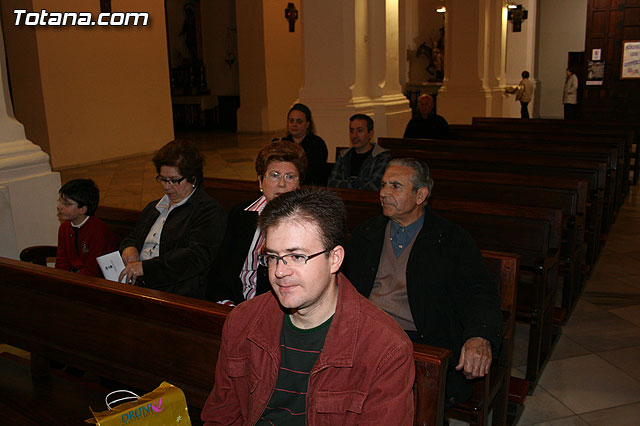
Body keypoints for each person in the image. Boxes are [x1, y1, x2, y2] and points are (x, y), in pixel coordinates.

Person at [201, 188, 415, 426]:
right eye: (273, 256)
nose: (280, 272)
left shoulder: (385, 347)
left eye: (297, 256)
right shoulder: (242, 321)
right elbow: (221, 417)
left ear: (334, 259)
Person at [342, 158, 503, 409]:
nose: (383, 193)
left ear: (421, 195)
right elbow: (342, 288)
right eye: (383, 185)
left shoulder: (450, 239)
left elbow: (480, 291)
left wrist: (480, 336)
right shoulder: (366, 233)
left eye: (395, 186)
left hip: (422, 342)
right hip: (369, 334)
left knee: (393, 402)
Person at [119, 139, 227, 298]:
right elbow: (135, 236)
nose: (167, 186)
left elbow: (195, 257)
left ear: (193, 178)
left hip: (173, 291)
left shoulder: (208, 211)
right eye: (162, 179)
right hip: (138, 283)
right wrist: (128, 247)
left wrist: (146, 268)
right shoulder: (154, 207)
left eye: (174, 180)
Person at [207, 140, 308, 305]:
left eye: (290, 177)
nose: (282, 184)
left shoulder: (306, 225)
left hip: (276, 309)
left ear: (298, 185)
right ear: (261, 181)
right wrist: (225, 303)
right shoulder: (241, 214)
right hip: (232, 303)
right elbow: (221, 269)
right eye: (274, 175)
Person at [55, 179, 117, 277]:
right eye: (60, 201)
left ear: (82, 209)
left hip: (97, 280)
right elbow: (62, 260)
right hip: (75, 278)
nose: (59, 206)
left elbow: (93, 268)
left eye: (67, 204)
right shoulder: (64, 228)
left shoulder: (98, 231)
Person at [327, 114, 391, 190]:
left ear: (370, 134)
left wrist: (348, 184)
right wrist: (359, 183)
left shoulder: (382, 156)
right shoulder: (343, 155)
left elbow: (374, 187)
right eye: (351, 131)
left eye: (359, 131)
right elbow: (331, 183)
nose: (354, 136)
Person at [277, 103, 328, 186]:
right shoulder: (282, 144)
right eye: (291, 121)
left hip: (309, 188)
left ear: (307, 124)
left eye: (299, 121)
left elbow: (315, 172)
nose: (294, 124)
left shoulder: (317, 144)